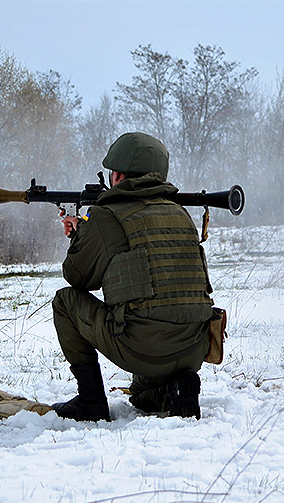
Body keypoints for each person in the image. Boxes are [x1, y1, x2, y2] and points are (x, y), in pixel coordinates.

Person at [51, 132, 214, 421]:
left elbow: (77, 277)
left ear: (118, 175)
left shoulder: (105, 216)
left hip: (143, 347)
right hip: (193, 347)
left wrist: (80, 237)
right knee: (141, 394)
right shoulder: (180, 214)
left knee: (65, 301)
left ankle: (90, 401)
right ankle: (177, 388)